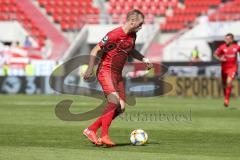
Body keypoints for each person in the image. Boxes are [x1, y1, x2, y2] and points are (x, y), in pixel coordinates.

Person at [83, 9, 153, 147]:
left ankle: (91, 129)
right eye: (140, 24)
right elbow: (95, 50)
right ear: (132, 21)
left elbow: (131, 49)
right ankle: (104, 136)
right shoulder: (114, 34)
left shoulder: (132, 35)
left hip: (117, 74)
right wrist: (90, 68)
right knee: (114, 101)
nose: (141, 26)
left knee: (120, 107)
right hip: (105, 71)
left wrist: (144, 58)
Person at [214, 33, 240, 107]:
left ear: (232, 40)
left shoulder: (236, 47)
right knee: (224, 84)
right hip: (224, 68)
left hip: (233, 68)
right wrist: (220, 58)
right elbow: (215, 54)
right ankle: (226, 97)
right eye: (225, 39)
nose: (226, 40)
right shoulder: (222, 47)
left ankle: (226, 100)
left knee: (229, 82)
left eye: (228, 39)